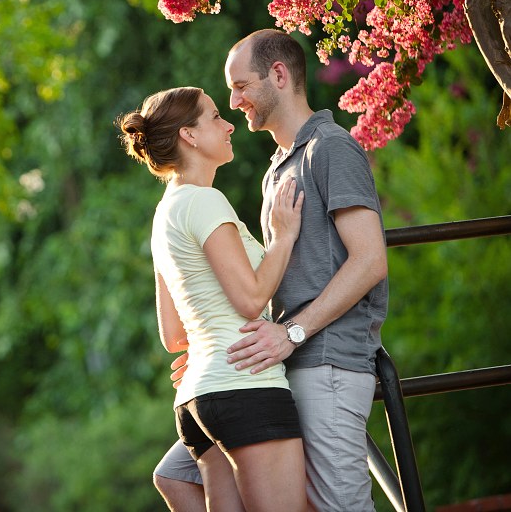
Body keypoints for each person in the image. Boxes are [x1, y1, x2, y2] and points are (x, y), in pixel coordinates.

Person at [153, 29, 389, 512]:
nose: (234, 102)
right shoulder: (276, 168)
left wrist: (294, 332)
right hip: (269, 366)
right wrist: (206, 346)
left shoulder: (331, 149)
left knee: (339, 508)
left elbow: (370, 260)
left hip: (326, 361)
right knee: (177, 474)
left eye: (240, 87)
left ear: (278, 75)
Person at [118, 86, 310, 512]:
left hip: (196, 402)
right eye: (215, 117)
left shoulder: (166, 211)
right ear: (189, 135)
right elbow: (250, 298)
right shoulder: (205, 201)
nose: (229, 126)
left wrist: (209, 348)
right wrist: (282, 237)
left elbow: (172, 335)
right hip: (246, 385)